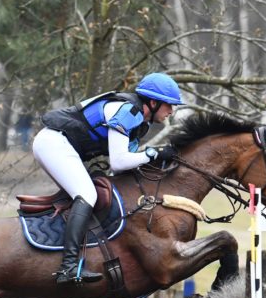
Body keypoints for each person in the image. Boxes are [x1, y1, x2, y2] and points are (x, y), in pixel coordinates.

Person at [34, 72, 182, 285]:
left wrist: (157, 161)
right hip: (53, 143)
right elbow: (119, 162)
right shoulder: (128, 111)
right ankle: (67, 267)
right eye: (170, 105)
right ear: (153, 102)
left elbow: (124, 169)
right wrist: (154, 153)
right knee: (86, 194)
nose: (172, 111)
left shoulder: (141, 122)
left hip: (60, 145)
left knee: (88, 195)